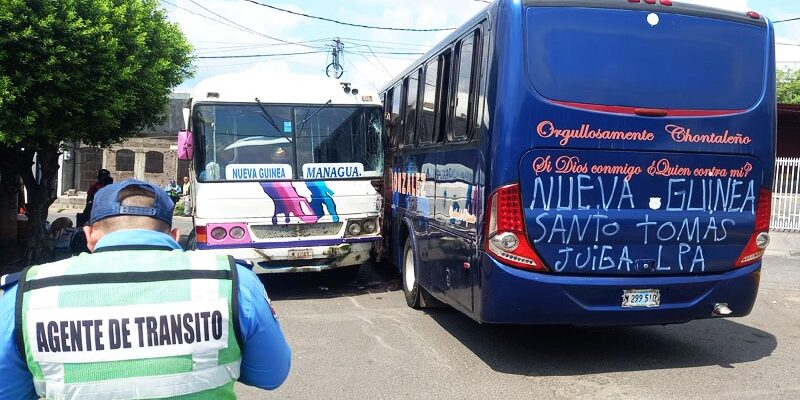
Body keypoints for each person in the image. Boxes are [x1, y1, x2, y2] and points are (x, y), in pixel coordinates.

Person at [0, 179, 291, 399]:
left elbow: (9, 390)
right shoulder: (231, 280)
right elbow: (270, 374)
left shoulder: (28, 293)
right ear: (174, 236)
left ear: (89, 235)